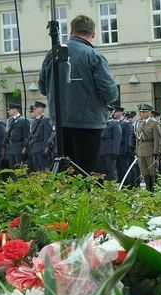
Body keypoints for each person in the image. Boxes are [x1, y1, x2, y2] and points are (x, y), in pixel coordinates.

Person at [39, 14, 119, 176]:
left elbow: (42, 86)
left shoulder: (53, 53)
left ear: (71, 31)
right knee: (85, 172)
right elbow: (109, 93)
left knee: (65, 173)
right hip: (88, 123)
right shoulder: (94, 55)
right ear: (93, 34)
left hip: (60, 122)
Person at [134, 104, 161, 191]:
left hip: (150, 150)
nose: (141, 113)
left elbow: (157, 138)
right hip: (141, 151)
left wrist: (156, 151)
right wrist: (137, 150)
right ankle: (148, 189)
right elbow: (138, 139)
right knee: (144, 171)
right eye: (140, 112)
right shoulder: (140, 123)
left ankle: (153, 190)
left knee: (152, 171)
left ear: (149, 112)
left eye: (143, 112)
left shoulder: (154, 123)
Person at [26, 101, 54, 173]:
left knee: (43, 169)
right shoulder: (35, 121)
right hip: (33, 148)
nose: (33, 110)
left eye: (35, 108)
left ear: (40, 109)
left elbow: (47, 136)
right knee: (36, 170)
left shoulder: (45, 120)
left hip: (41, 148)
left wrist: (45, 148)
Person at [98, 107, 123, 179]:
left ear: (110, 113)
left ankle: (113, 188)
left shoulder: (114, 124)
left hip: (109, 152)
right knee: (101, 172)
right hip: (100, 151)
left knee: (111, 172)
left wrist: (115, 152)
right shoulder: (100, 123)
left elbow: (117, 139)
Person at [3, 102, 28, 170]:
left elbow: (26, 135)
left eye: (9, 109)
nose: (8, 111)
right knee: (12, 168)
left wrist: (25, 147)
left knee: (19, 168)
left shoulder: (23, 120)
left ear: (15, 110)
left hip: (19, 147)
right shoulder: (10, 120)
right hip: (11, 147)